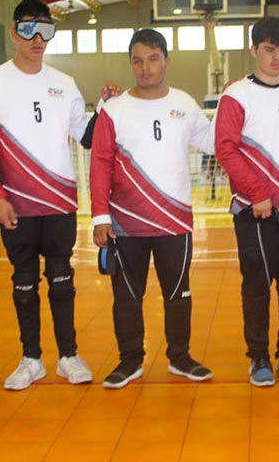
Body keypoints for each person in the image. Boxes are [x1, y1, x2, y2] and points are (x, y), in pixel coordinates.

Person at [0, 0, 93, 390]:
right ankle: (31, 358)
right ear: (13, 33)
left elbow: (88, 136)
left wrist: (109, 105)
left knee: (62, 279)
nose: (37, 37)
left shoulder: (65, 84)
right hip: (16, 205)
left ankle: (69, 356)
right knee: (23, 282)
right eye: (28, 28)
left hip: (59, 202)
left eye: (45, 29)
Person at [90, 29, 214, 389]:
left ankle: (180, 357)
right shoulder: (114, 110)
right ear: (131, 64)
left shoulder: (186, 104)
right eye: (138, 61)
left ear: (166, 61)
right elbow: (99, 163)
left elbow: (212, 142)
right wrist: (100, 216)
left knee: (179, 293)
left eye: (153, 59)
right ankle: (130, 361)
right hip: (126, 225)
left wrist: (235, 101)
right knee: (127, 297)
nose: (145, 68)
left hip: (175, 221)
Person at [214, 16, 279, 387]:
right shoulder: (237, 95)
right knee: (256, 289)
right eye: (269, 49)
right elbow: (225, 148)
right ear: (254, 50)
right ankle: (258, 358)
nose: (277, 57)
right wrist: (257, 193)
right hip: (255, 212)